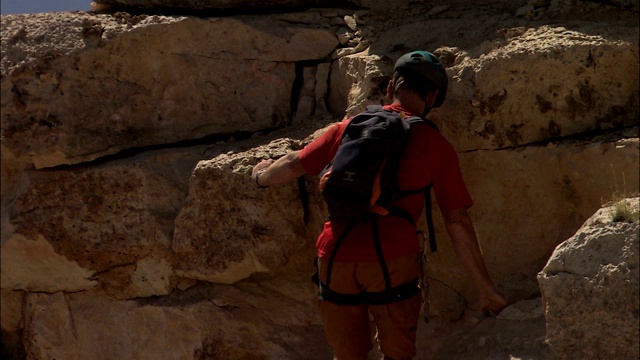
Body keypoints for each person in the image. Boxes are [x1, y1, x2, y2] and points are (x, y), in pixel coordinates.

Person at [251, 50, 507, 360]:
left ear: (390, 89)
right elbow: (458, 221)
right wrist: (486, 290)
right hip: (392, 257)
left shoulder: (350, 127)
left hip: (334, 254)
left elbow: (294, 163)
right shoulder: (434, 144)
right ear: (433, 96)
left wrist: (260, 176)